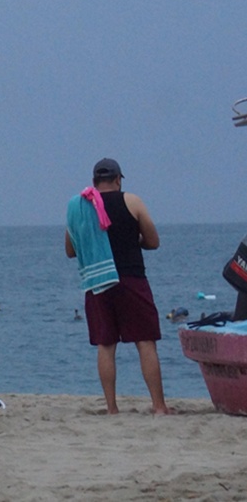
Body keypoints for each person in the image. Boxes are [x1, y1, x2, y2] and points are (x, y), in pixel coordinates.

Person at [65, 157, 171, 415]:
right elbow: (153, 241)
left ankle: (112, 408)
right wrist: (134, 241)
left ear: (94, 182)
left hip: (98, 283)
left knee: (106, 344)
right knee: (145, 342)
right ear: (117, 179)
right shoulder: (131, 201)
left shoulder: (79, 207)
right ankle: (158, 406)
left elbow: (70, 251)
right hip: (131, 279)